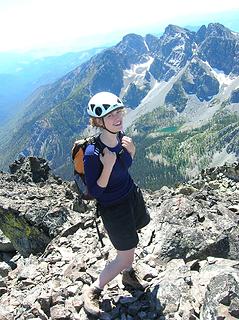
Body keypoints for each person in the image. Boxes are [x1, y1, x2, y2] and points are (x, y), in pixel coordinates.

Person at [82, 91, 150, 316]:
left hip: (130, 196)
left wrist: (132, 151)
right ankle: (94, 289)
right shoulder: (93, 153)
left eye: (119, 112)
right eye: (111, 115)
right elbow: (95, 191)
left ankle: (128, 275)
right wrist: (108, 166)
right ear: (99, 121)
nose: (118, 118)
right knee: (124, 256)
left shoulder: (121, 138)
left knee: (136, 232)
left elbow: (124, 167)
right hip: (114, 208)